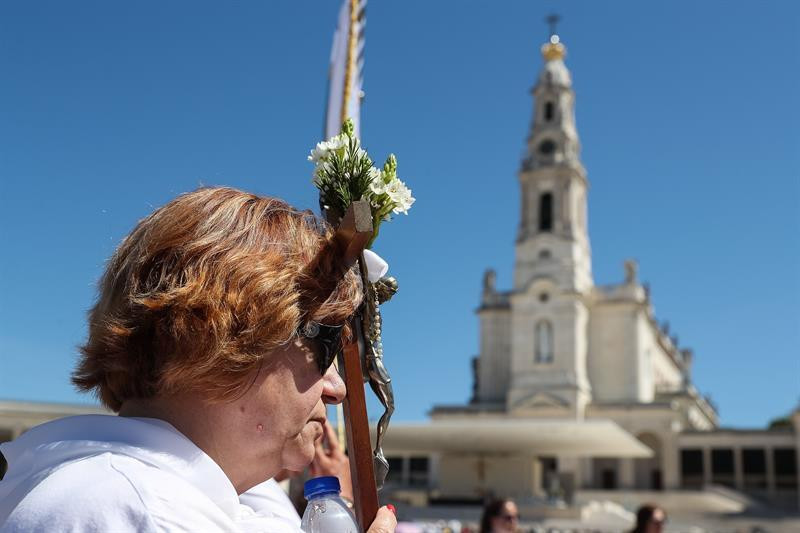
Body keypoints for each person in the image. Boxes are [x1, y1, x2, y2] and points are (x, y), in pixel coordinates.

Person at [0, 187, 396, 533]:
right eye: (324, 344)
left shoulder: (169, 496)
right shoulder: (135, 511)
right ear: (222, 336)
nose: (337, 388)